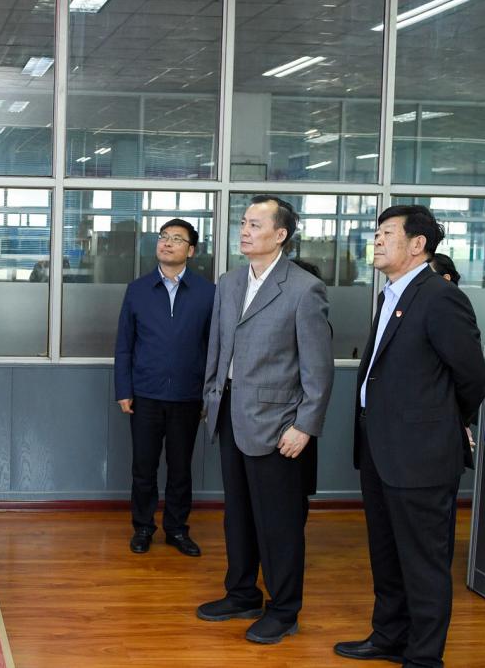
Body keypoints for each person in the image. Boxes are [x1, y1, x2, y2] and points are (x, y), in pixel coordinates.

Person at [334, 205, 485, 667]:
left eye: (387, 233)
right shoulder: (391, 294)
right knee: (386, 556)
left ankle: (423, 657)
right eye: (376, 232)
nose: (377, 240)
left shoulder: (439, 297)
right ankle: (389, 637)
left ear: (418, 244)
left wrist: (443, 422)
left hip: (422, 455)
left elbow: (472, 377)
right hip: (380, 450)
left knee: (423, 563)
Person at [197, 195, 333, 645]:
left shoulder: (303, 289)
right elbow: (218, 347)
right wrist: (211, 396)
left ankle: (284, 609)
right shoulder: (230, 282)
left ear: (281, 235)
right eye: (243, 222)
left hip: (278, 425)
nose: (244, 230)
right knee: (237, 515)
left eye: (256, 224)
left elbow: (318, 368)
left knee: (279, 523)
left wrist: (305, 426)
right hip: (230, 413)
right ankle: (241, 594)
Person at [114, 219, 215, 558]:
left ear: (192, 250)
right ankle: (143, 527)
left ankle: (177, 529)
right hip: (145, 393)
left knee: (180, 468)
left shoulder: (207, 293)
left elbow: (213, 348)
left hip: (188, 395)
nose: (167, 243)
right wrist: (123, 389)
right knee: (143, 467)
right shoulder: (138, 290)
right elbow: (124, 345)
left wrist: (209, 393)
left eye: (177, 239)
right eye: (163, 237)